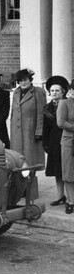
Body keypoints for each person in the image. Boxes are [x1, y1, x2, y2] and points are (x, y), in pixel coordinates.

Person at [10, 68, 47, 167]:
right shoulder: (16, 92)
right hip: (17, 133)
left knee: (31, 160)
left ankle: (31, 179)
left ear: (30, 80)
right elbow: (14, 112)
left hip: (30, 131)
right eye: (21, 81)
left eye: (25, 80)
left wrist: (39, 131)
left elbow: (41, 113)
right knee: (17, 160)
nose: (23, 82)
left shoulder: (38, 92)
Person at [43, 76, 68, 208]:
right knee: (57, 170)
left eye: (57, 91)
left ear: (63, 92)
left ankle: (71, 197)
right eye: (52, 91)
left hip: (68, 141)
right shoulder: (47, 108)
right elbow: (45, 128)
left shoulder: (70, 105)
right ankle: (60, 195)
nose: (54, 93)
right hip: (53, 142)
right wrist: (45, 143)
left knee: (68, 170)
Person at [56, 81, 74, 214]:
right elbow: (60, 122)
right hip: (69, 142)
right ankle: (70, 201)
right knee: (68, 172)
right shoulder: (65, 103)